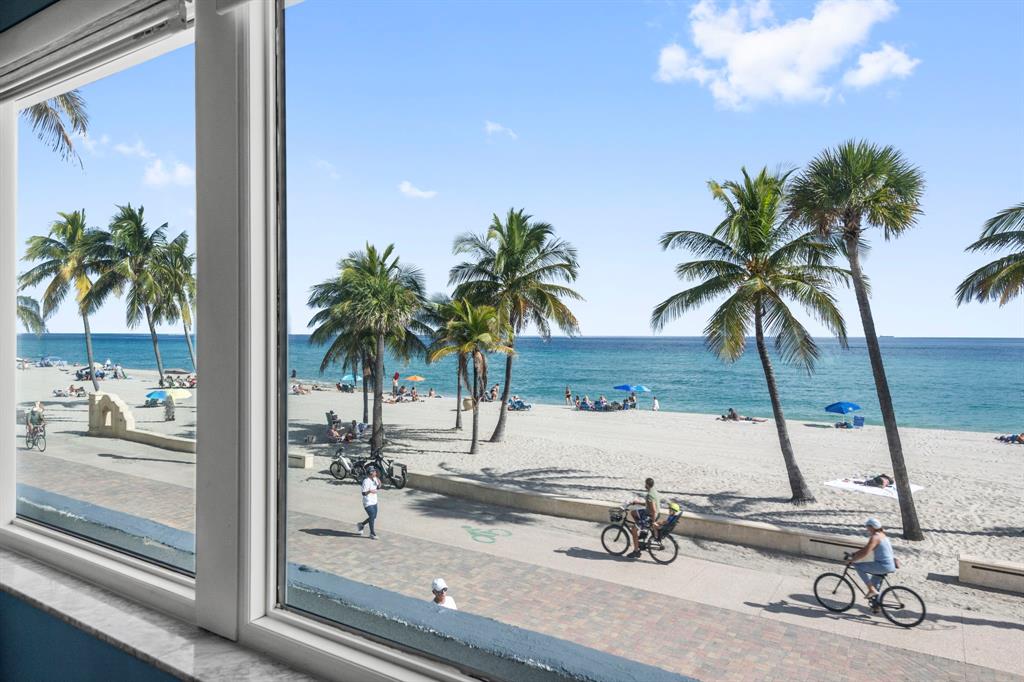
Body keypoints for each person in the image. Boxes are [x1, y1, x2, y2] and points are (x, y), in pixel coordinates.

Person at [847, 518, 896, 612]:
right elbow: (865, 549)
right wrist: (855, 554)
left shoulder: (875, 537)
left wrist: (852, 560)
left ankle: (870, 589)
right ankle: (876, 605)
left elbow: (865, 552)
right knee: (874, 583)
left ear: (872, 527)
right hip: (890, 564)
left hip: (882, 565)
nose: (867, 529)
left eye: (867, 527)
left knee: (858, 566)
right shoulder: (883, 535)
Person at [627, 477, 660, 559]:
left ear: (647, 485)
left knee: (633, 529)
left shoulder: (649, 495)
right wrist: (637, 503)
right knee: (633, 512)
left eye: (645, 484)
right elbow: (648, 505)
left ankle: (636, 551)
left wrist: (653, 522)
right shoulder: (654, 491)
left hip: (650, 516)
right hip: (650, 513)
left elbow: (653, 510)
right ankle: (642, 529)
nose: (644, 485)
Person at [356, 466, 381, 539]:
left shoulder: (375, 478)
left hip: (374, 501)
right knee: (372, 516)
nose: (375, 472)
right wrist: (370, 491)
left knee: (373, 517)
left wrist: (379, 482)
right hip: (368, 502)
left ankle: (361, 525)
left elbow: (378, 487)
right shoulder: (366, 481)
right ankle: (372, 533)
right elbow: (363, 493)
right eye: (374, 471)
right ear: (370, 473)